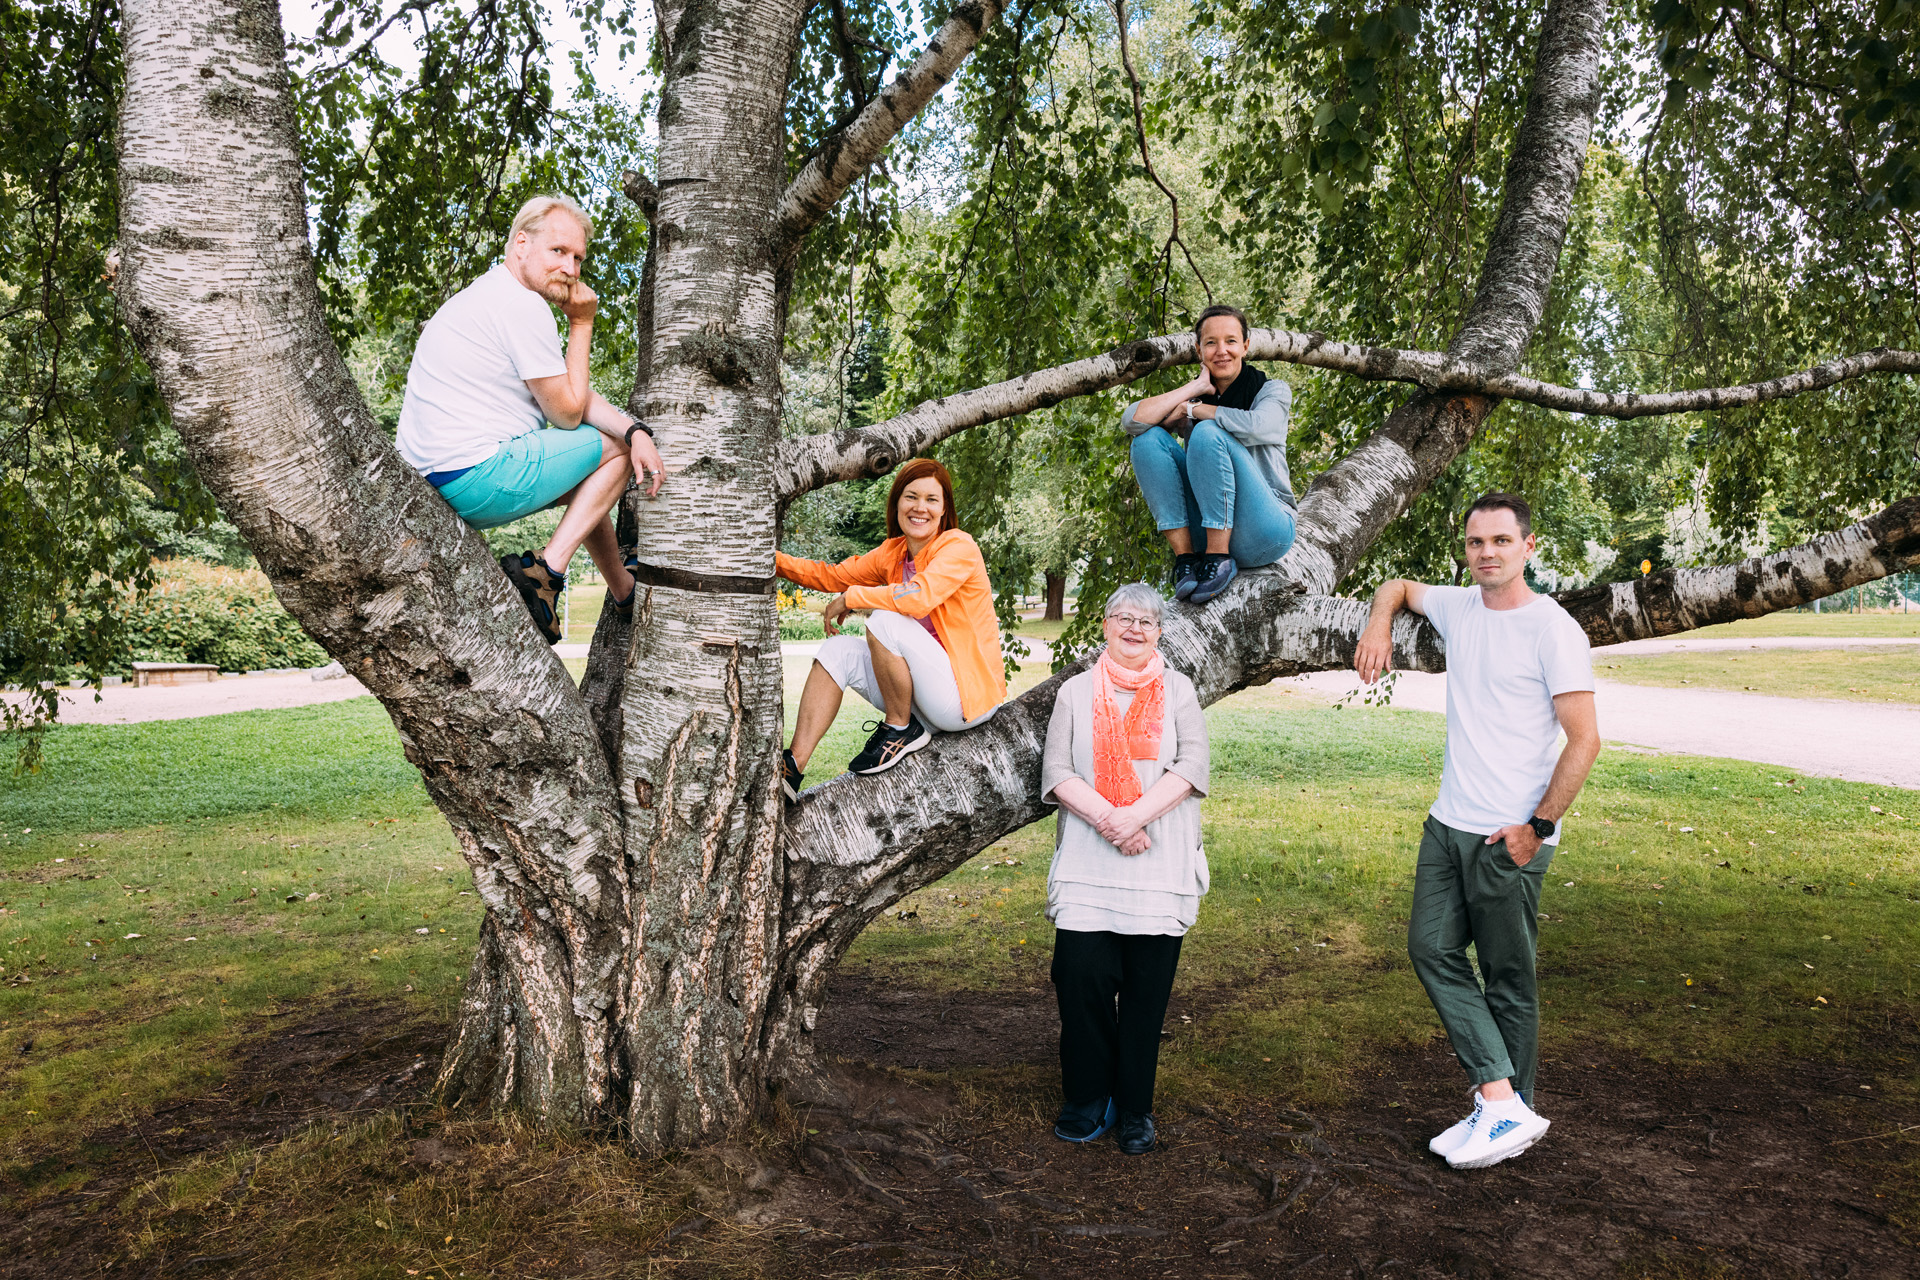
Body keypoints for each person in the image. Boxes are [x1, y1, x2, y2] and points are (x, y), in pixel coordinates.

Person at [1352, 492, 1601, 1171]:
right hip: (1448, 822)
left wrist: (1537, 828)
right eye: (1474, 543)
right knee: (1429, 949)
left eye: (1499, 541)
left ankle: (1507, 1114)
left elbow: (1585, 741)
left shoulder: (1553, 629)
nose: (1486, 553)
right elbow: (1398, 586)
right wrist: (1379, 623)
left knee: (1506, 979)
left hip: (1508, 836)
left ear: (1528, 546)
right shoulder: (1461, 607)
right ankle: (1501, 1101)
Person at [396, 194, 666, 644]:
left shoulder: (491, 294)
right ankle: (546, 573)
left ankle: (623, 591)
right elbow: (567, 413)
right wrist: (582, 324)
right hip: (474, 475)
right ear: (521, 244)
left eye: (578, 257)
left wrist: (635, 428)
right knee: (612, 452)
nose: (571, 268)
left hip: (435, 479)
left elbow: (566, 395)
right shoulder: (522, 305)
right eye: (558, 251)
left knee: (591, 480)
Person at [1040, 583, 1209, 1156]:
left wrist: (1131, 817)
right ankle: (1088, 1097)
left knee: (1145, 998)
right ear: (1105, 625)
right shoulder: (1073, 692)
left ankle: (1135, 1107)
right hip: (1090, 863)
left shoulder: (1180, 691)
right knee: (1079, 981)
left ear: (1160, 631)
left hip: (1160, 865)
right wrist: (1111, 821)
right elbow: (1058, 771)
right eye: (1122, 617)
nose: (1134, 627)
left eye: (1146, 620)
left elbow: (1191, 769)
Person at [775, 458, 1006, 797]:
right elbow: (832, 575)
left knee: (886, 619)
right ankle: (791, 770)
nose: (920, 508)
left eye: (931, 500)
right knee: (835, 651)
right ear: (897, 501)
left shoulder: (959, 547)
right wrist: (768, 558)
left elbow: (918, 598)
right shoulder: (893, 553)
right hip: (923, 692)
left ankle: (898, 729)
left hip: (964, 699)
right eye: (911, 496)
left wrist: (852, 598)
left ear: (944, 510)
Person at [1122, 304, 1298, 605]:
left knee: (1206, 430)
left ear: (1245, 345)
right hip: (1207, 525)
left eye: (1231, 341)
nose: (1222, 351)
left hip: (1266, 530)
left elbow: (1258, 425)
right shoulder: (1197, 394)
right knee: (1147, 440)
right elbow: (1132, 421)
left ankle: (1219, 558)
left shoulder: (1273, 391)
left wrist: (1193, 411)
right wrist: (1195, 388)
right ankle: (1187, 561)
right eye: (1211, 343)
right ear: (1198, 349)